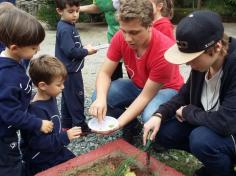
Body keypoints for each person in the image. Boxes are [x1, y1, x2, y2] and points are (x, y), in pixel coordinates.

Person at [143, 10, 236, 176]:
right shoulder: (204, 64)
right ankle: (215, 162)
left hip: (231, 130)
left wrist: (187, 111)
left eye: (192, 58)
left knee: (202, 140)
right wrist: (159, 115)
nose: (187, 63)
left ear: (217, 47)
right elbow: (184, 94)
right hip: (211, 123)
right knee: (164, 131)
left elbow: (226, 123)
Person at [89, 0, 183, 143]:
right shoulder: (120, 37)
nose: (127, 38)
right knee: (98, 95)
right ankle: (132, 126)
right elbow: (104, 73)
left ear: (150, 26)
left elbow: (145, 97)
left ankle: (164, 138)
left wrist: (116, 124)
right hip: (139, 85)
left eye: (134, 32)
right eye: (123, 31)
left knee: (150, 115)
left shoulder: (164, 50)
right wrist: (101, 99)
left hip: (167, 89)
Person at [0, 8, 53, 176]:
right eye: (33, 47)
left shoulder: (12, 61)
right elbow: (10, 114)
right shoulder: (9, 77)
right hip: (3, 135)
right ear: (15, 47)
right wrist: (38, 123)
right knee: (10, 164)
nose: (38, 50)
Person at [22, 55, 82, 175]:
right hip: (39, 157)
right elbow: (38, 143)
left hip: (54, 148)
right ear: (43, 85)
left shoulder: (50, 95)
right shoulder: (36, 110)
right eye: (59, 85)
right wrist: (65, 137)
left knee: (78, 163)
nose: (63, 87)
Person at [55, 0, 97, 132]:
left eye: (77, 11)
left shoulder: (67, 25)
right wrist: (86, 51)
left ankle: (66, 124)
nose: (75, 15)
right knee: (76, 97)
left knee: (67, 97)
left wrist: (83, 48)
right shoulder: (66, 29)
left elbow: (71, 47)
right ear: (60, 11)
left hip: (65, 70)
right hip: (71, 71)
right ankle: (81, 127)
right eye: (71, 11)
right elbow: (70, 51)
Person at [80, 0, 123, 80]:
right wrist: (78, 8)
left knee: (134, 67)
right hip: (113, 33)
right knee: (114, 67)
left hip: (131, 32)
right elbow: (100, 7)